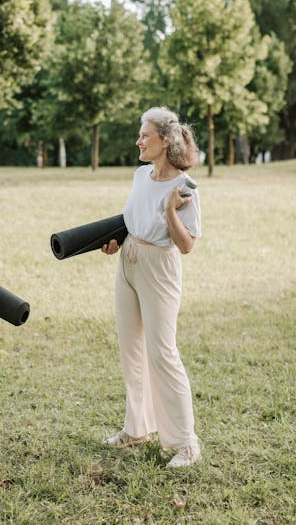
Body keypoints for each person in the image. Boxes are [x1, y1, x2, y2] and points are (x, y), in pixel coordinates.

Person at [101, 107, 202, 468]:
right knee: (131, 350)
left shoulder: (184, 187)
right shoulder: (141, 175)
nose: (138, 141)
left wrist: (171, 211)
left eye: (145, 135)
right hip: (127, 261)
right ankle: (137, 427)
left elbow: (187, 245)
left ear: (164, 140)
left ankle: (185, 442)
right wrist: (117, 241)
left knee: (162, 352)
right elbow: (133, 219)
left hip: (160, 267)